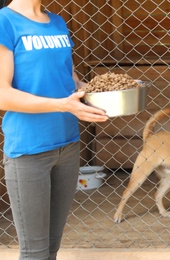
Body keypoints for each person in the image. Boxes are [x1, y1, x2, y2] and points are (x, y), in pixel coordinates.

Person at [0, 0, 109, 259]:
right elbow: (2, 95)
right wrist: (63, 106)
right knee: (35, 252)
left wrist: (95, 93)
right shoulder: (5, 21)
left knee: (51, 247)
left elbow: (67, 76)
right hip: (29, 149)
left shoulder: (57, 22)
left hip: (68, 145)